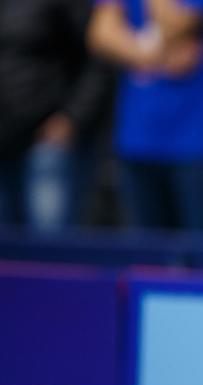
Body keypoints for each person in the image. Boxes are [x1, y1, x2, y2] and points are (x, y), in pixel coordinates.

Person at [88, 0, 203, 230]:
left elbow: (173, 23)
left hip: (200, 140)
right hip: (138, 137)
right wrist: (152, 55)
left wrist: (144, 46)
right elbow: (101, 33)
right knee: (146, 257)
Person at [0, 0, 114, 232]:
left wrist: (72, 118)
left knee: (50, 245)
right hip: (4, 139)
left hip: (48, 142)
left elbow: (99, 56)